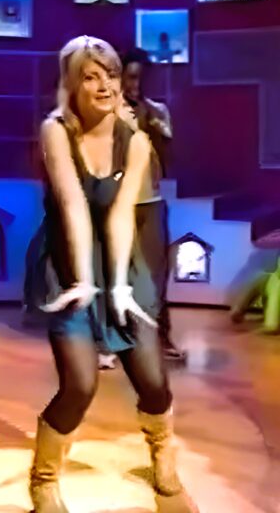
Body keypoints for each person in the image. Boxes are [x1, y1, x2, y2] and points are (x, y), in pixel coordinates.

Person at [27, 36, 198, 513]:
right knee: (80, 384)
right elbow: (74, 207)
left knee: (153, 381)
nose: (105, 85)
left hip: (124, 263)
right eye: (91, 76)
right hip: (69, 263)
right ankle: (43, 481)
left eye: (112, 74)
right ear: (71, 83)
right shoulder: (56, 130)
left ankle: (162, 458)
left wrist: (120, 284)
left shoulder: (137, 140)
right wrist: (85, 280)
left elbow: (123, 214)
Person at [122, 47, 186, 361]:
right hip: (117, 204)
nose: (136, 84)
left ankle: (161, 336)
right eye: (131, 77)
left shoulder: (159, 111)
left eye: (141, 78)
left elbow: (167, 161)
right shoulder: (106, 113)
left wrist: (155, 129)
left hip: (151, 201)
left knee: (157, 274)